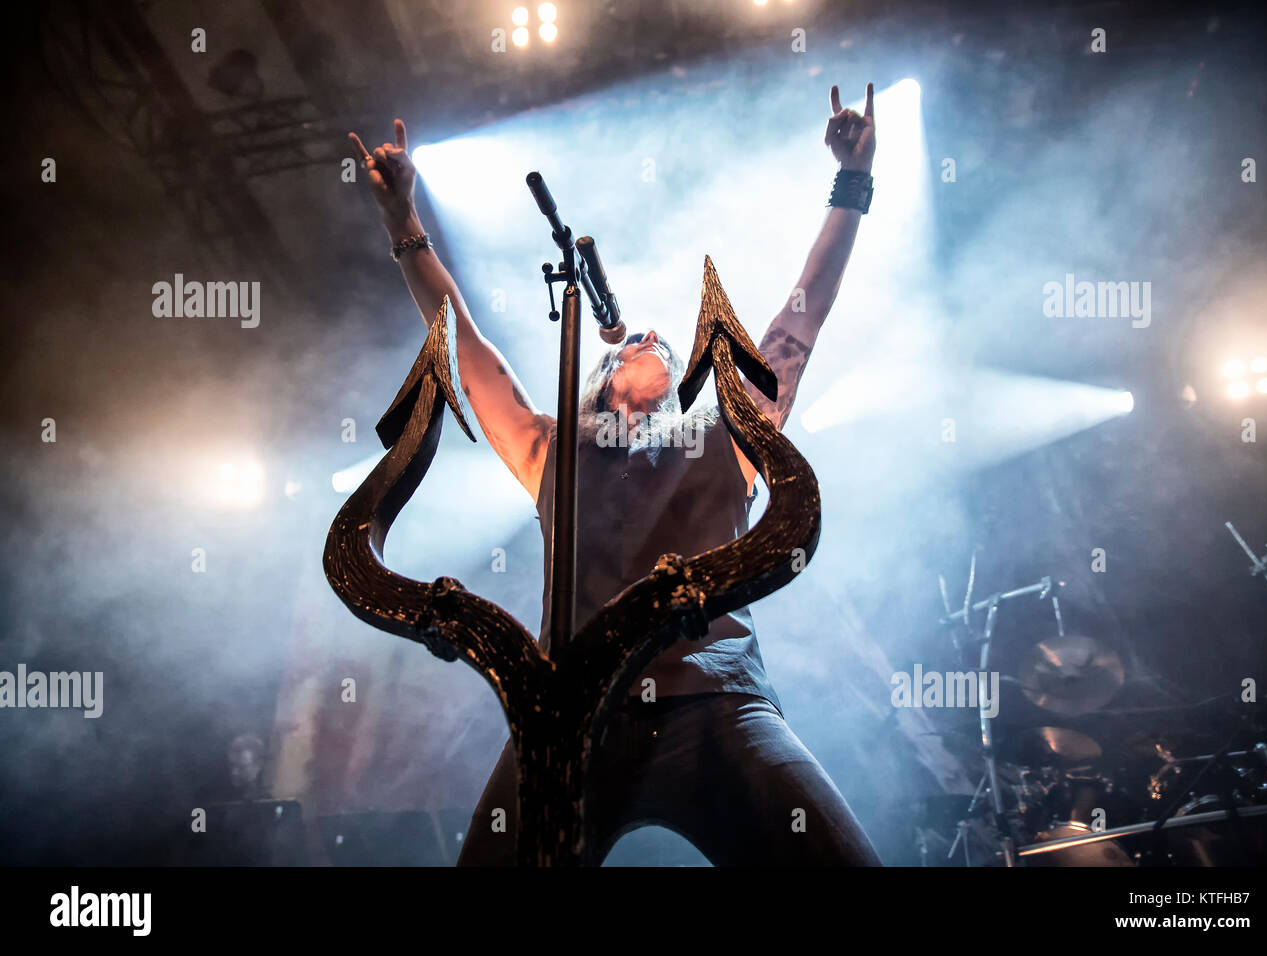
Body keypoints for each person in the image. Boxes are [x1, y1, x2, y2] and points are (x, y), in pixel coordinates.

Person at [348, 81, 882, 865]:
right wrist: (404, 223)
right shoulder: (550, 445)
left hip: (718, 700)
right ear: (596, 372)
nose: (655, 334)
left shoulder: (724, 434)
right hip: (568, 713)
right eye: (637, 341)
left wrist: (852, 184)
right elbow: (465, 348)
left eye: (664, 343)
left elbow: (798, 321)